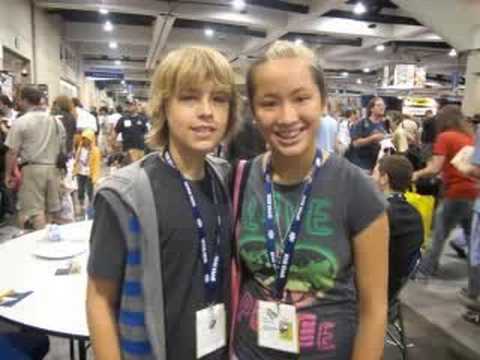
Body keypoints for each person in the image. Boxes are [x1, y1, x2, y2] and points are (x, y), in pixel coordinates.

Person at [232, 41, 389, 360]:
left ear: (323, 103)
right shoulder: (240, 178)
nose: (287, 117)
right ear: (254, 111)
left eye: (301, 98)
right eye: (269, 103)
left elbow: (374, 309)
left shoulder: (357, 189)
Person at [86, 46, 240, 360]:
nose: (207, 111)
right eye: (189, 97)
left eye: (219, 99)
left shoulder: (228, 180)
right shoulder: (124, 195)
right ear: (163, 106)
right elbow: (99, 299)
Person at [414, 105, 478, 277]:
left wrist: (416, 174)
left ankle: (426, 269)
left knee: (439, 234)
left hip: (455, 193)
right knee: (472, 240)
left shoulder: (445, 137)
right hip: (474, 191)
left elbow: (435, 168)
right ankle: (475, 283)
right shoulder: (469, 137)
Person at [4, 87, 66, 229]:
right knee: (51, 210)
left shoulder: (21, 122)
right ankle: (49, 240)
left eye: (19, 99)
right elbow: (63, 147)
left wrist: (8, 174)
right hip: (53, 168)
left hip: (32, 169)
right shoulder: (56, 122)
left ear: (26, 101)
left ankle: (38, 241)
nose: (18, 102)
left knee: (35, 210)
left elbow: (12, 151)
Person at [372, 155, 423, 301]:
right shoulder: (415, 214)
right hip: (393, 288)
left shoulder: (378, 214)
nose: (371, 177)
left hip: (371, 292)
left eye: (374, 173)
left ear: (384, 178)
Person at [348, 97, 388, 172]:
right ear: (371, 109)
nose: (382, 107)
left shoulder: (383, 124)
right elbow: (355, 143)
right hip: (361, 165)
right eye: (379, 105)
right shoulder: (361, 123)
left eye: (383, 105)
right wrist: (372, 138)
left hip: (375, 165)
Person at [73, 129, 102, 211]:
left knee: (90, 190)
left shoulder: (95, 151)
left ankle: (91, 205)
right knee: (80, 189)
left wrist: (95, 176)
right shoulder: (80, 148)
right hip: (80, 172)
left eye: (87, 139)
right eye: (84, 138)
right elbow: (76, 160)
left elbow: (97, 164)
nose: (85, 141)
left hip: (90, 173)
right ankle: (81, 204)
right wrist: (74, 170)